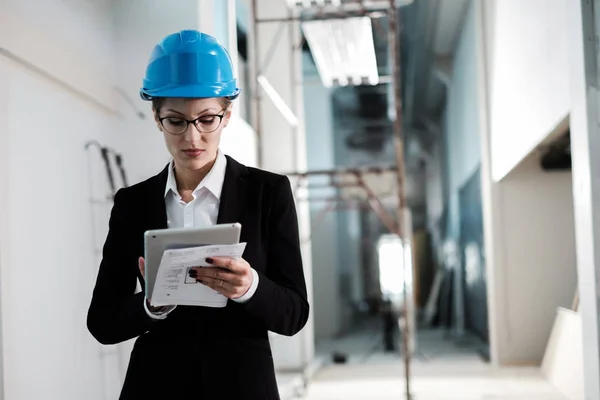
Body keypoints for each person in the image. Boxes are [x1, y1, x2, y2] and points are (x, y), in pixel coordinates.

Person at [86, 30, 309, 400]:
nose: (193, 138)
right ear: (157, 117)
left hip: (242, 384)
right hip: (155, 384)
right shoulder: (133, 203)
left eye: (207, 119)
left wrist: (249, 286)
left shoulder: (268, 193)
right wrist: (150, 305)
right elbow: (102, 322)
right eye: (176, 121)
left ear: (227, 115)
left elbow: (294, 314)